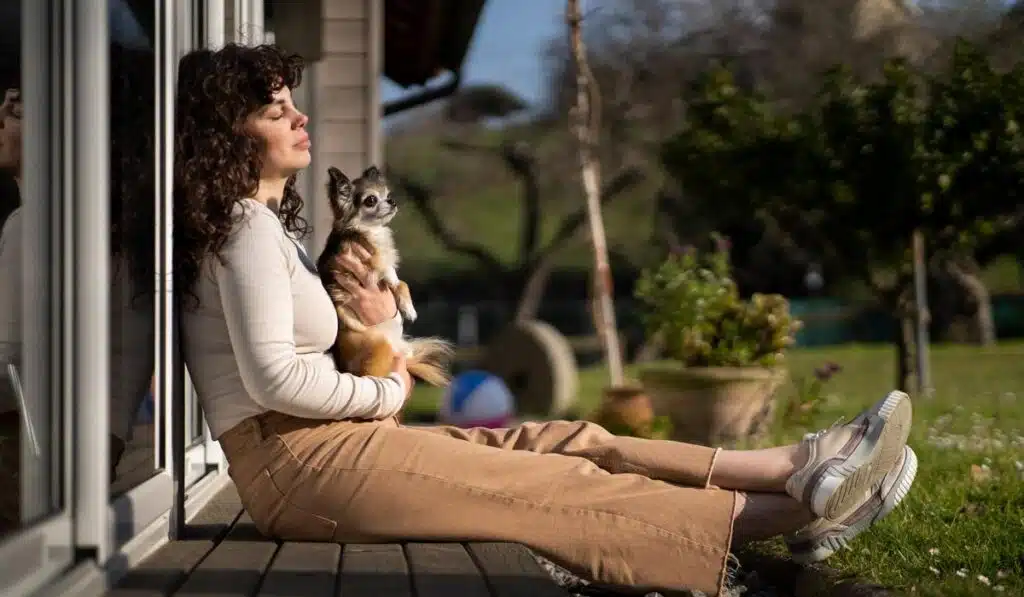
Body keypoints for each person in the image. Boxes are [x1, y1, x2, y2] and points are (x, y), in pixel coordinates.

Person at [176, 43, 918, 596]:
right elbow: (273, 377)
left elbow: (342, 344)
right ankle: (792, 515)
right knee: (542, 482)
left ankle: (793, 469)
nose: (301, 116)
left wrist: (385, 348)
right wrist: (388, 393)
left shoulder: (267, 229)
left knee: (566, 435)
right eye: (277, 111)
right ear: (230, 139)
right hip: (301, 469)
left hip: (324, 451)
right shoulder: (242, 227)